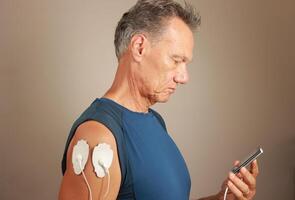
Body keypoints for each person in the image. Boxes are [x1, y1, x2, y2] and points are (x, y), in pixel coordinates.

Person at [59, 0, 259, 199]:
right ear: (139, 47)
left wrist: (222, 197)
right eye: (176, 60)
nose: (184, 77)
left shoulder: (154, 120)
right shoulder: (99, 137)